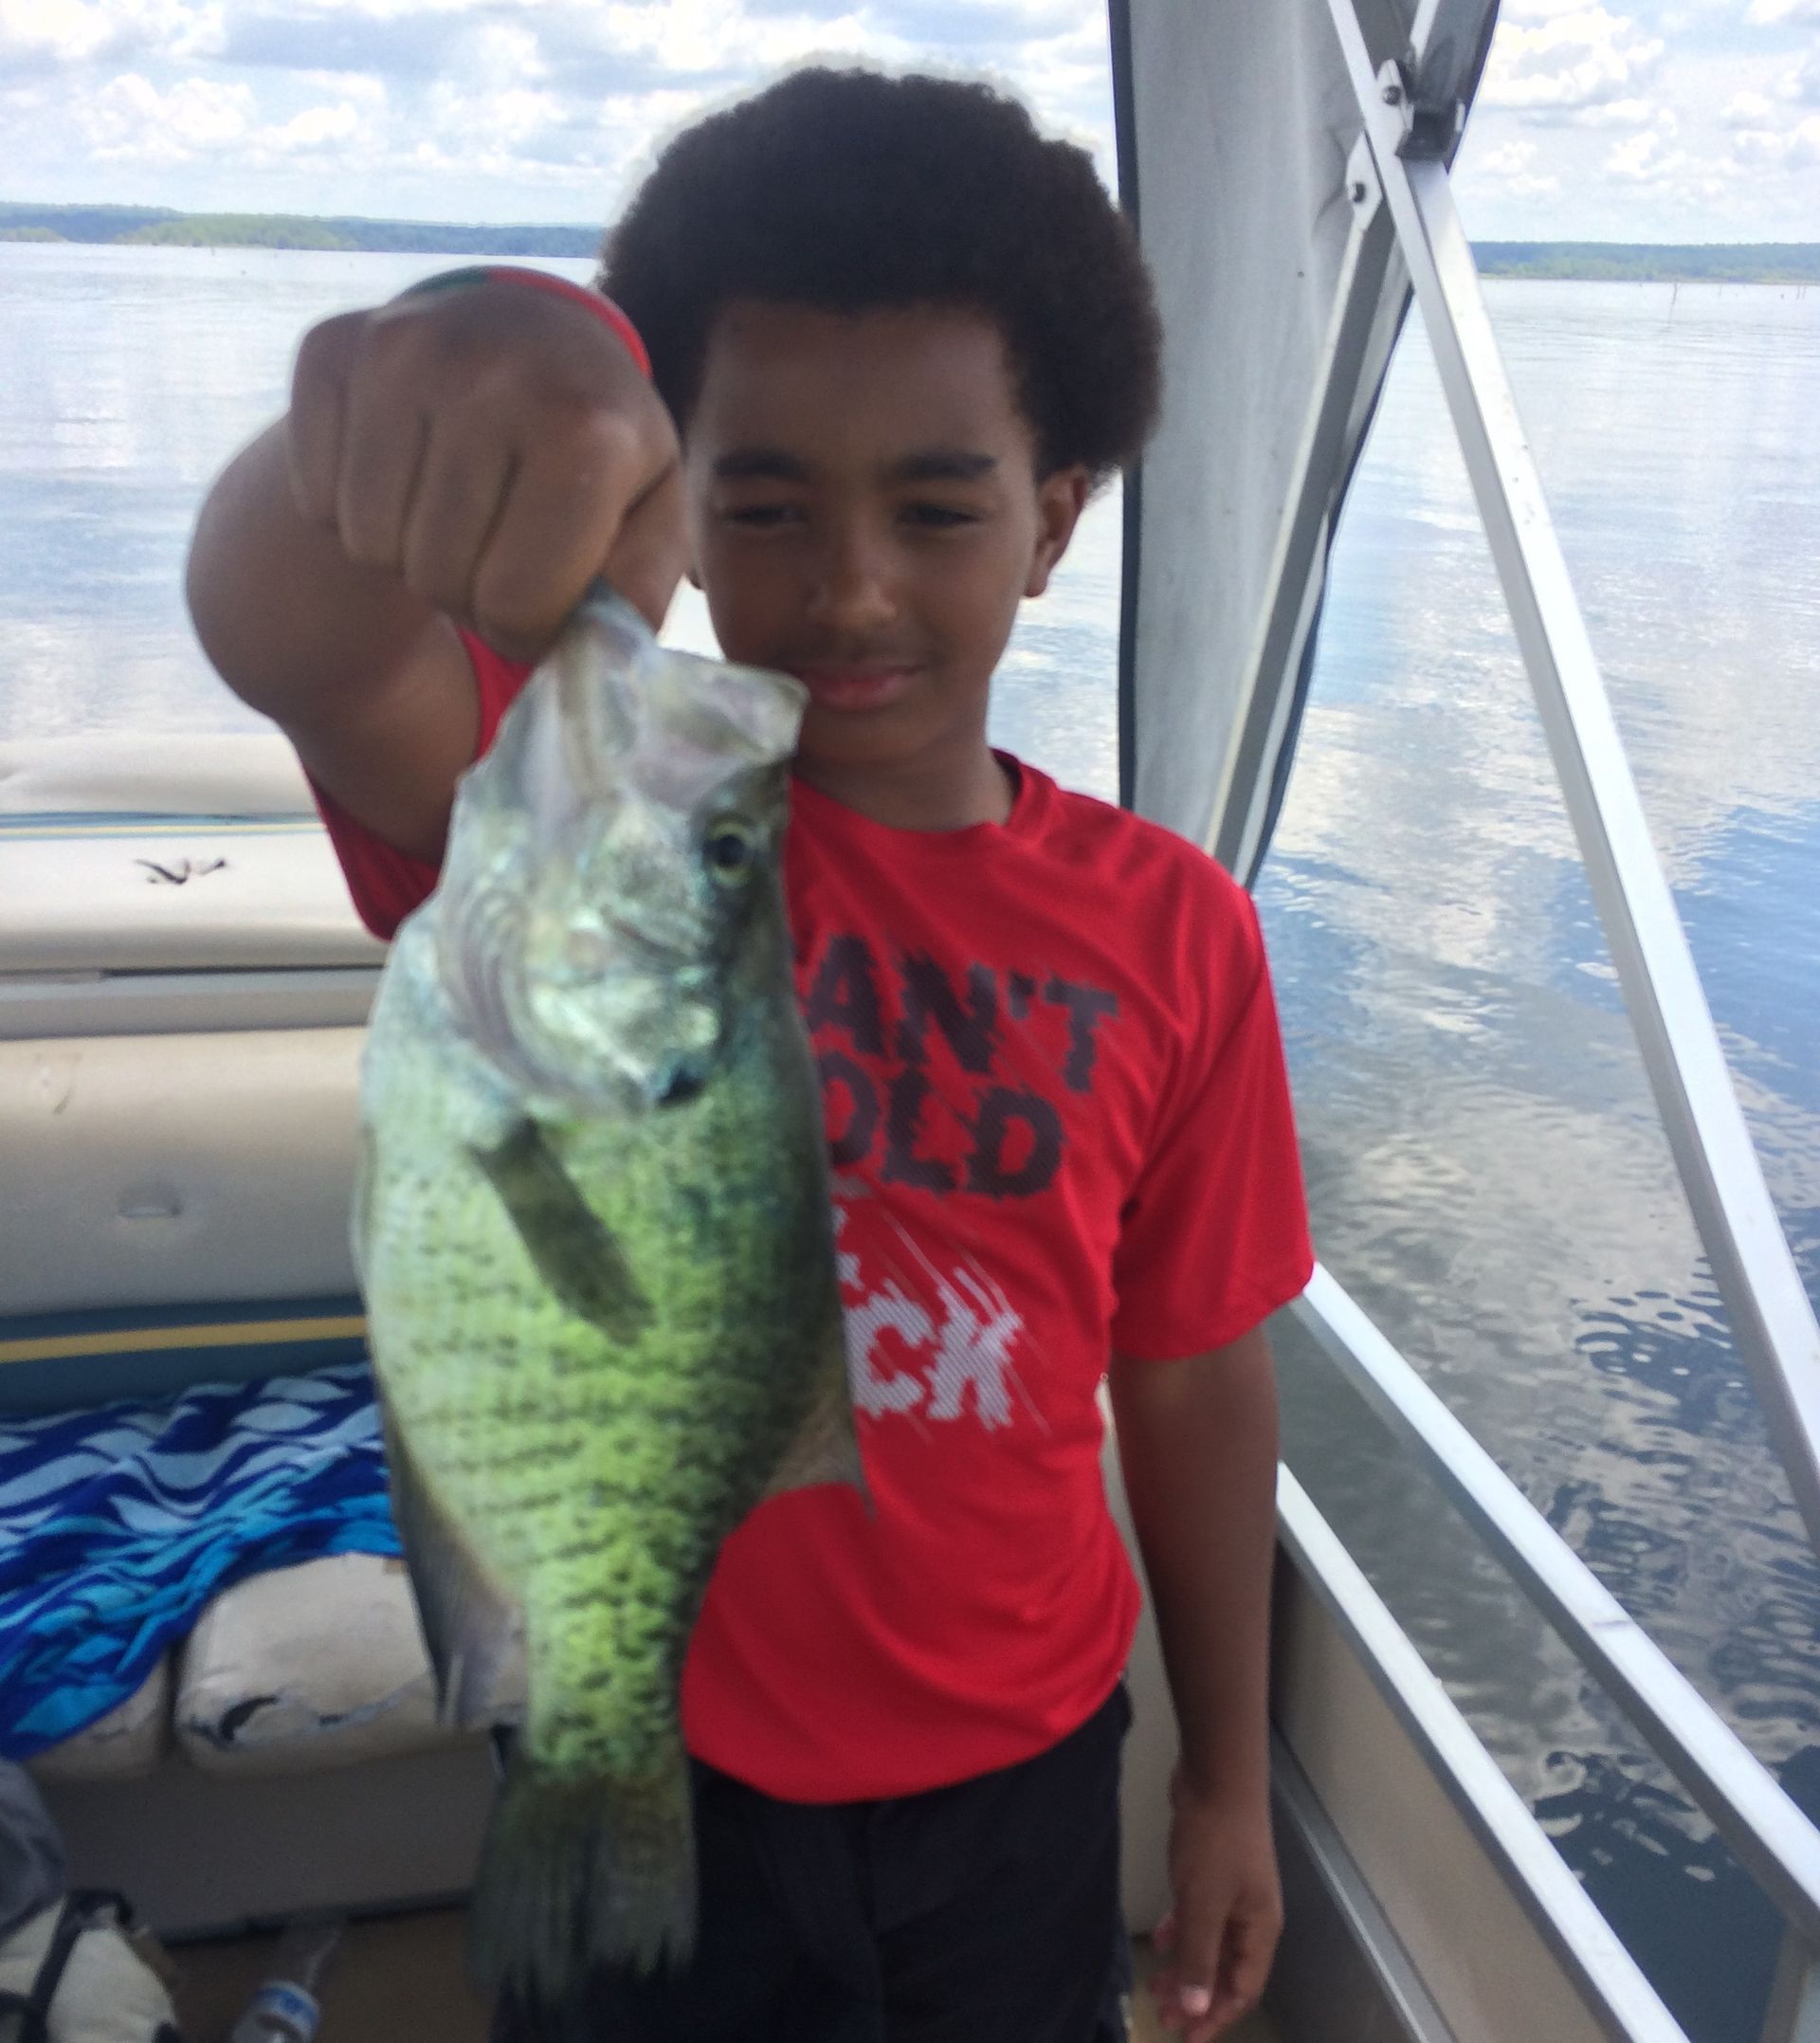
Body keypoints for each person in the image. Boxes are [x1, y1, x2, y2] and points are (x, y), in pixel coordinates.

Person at [186, 65, 1314, 2043]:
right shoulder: (599, 812)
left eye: (936, 508)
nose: (853, 584)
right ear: (682, 508)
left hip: (1025, 1772)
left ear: (1053, 523)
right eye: (767, 504)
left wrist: (1228, 1774)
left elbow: (1195, 1373)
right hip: (649, 1727)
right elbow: (297, 630)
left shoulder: (1177, 932)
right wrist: (505, 345)